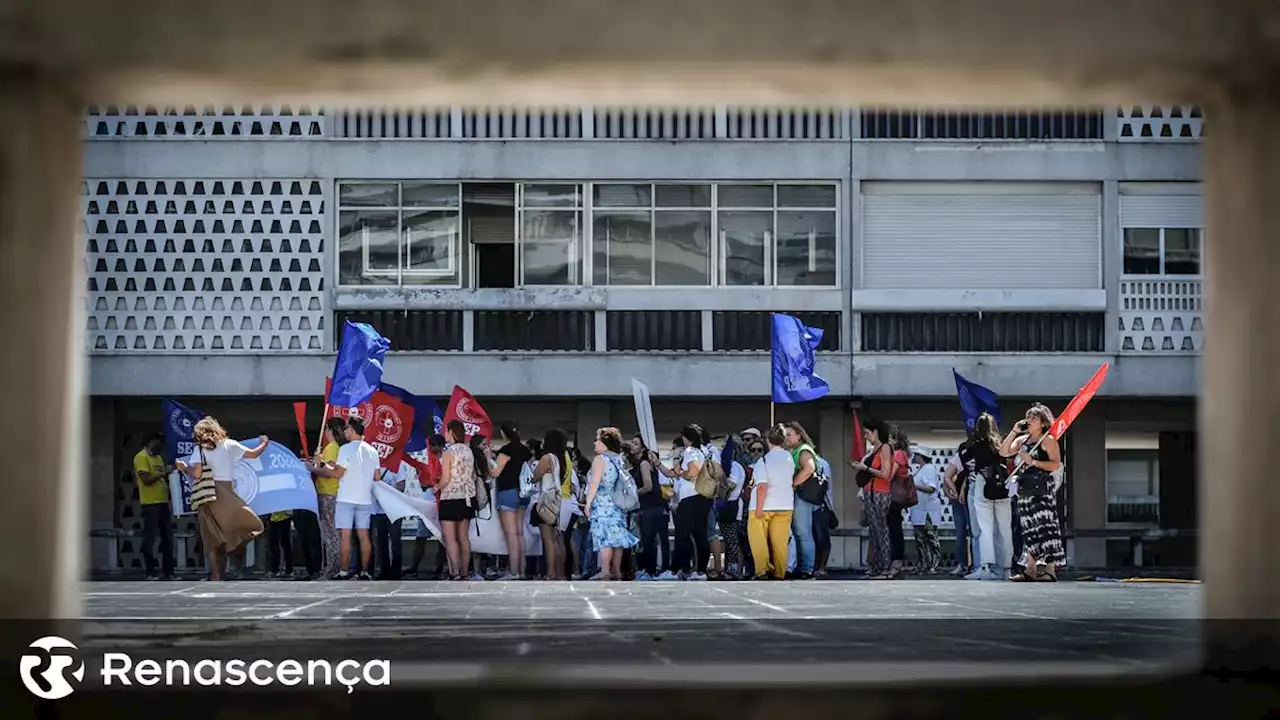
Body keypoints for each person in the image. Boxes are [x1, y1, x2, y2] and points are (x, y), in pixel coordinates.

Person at [174, 417, 267, 581]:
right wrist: (264, 443)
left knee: (211, 537)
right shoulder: (229, 444)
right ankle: (235, 563)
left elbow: (196, 473)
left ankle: (217, 573)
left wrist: (184, 467)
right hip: (226, 493)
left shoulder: (200, 449)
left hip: (207, 494)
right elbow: (253, 454)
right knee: (238, 528)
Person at [1001, 403, 1065, 582]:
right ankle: (1030, 568)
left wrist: (1034, 462)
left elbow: (1055, 464)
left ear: (1043, 422)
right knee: (1028, 527)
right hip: (1025, 488)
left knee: (1046, 527)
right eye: (1028, 417)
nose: (1029, 420)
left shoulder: (1048, 440)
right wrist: (1014, 431)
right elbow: (1004, 451)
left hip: (1042, 489)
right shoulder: (1022, 441)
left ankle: (1050, 569)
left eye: (1034, 418)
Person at [960, 413, 1015, 581]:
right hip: (1002, 488)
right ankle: (1006, 568)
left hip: (982, 485)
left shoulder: (975, 446)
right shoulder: (1001, 445)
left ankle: (985, 567)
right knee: (1004, 528)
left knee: (985, 528)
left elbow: (964, 458)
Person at [324, 417, 380, 580]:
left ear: (353, 430)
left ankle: (343, 571)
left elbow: (337, 473)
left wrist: (322, 465)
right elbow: (377, 477)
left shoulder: (346, 449)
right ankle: (364, 571)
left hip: (346, 498)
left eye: (347, 428)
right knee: (364, 535)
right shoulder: (372, 450)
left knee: (346, 535)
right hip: (365, 498)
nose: (345, 431)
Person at [583, 427, 639, 580]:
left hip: (603, 503)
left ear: (604, 442)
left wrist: (588, 503)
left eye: (597, 440)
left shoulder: (600, 459)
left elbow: (594, 482)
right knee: (617, 536)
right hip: (618, 504)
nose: (595, 443)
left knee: (605, 537)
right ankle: (616, 570)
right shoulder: (618, 459)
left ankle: (605, 570)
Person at [656, 426, 711, 580]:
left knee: (682, 535)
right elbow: (672, 473)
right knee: (700, 534)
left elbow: (693, 472)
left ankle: (675, 570)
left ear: (687, 438)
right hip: (702, 498)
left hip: (690, 498)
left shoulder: (690, 451)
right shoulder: (703, 452)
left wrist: (681, 472)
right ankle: (699, 571)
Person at [747, 425, 796, 580]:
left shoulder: (764, 461)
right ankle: (780, 572)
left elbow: (762, 486)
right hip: (785, 504)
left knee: (758, 539)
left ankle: (762, 570)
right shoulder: (789, 458)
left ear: (768, 440)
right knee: (780, 542)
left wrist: (759, 508)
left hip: (763, 505)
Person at [850, 419, 895, 579]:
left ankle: (886, 567)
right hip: (870, 492)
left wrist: (866, 469)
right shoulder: (873, 450)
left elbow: (886, 473)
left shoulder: (885, 448)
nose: (866, 437)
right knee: (874, 532)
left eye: (867, 433)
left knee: (882, 530)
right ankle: (876, 567)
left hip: (880, 493)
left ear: (876, 432)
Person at [489, 421, 531, 580]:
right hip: (524, 493)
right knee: (520, 533)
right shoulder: (525, 450)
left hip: (508, 492)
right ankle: (522, 570)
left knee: (512, 534)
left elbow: (495, 473)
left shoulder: (506, 450)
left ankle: (513, 572)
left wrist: (487, 459)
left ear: (503, 433)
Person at [438, 420, 478, 581]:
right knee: (463, 537)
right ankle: (464, 572)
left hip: (450, 498)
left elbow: (446, 478)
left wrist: (437, 486)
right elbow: (473, 475)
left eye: (446, 431)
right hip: (467, 498)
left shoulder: (448, 452)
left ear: (451, 432)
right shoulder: (469, 451)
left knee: (450, 538)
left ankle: (454, 572)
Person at [306, 418, 346, 578]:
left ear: (329, 429)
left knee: (331, 534)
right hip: (334, 493)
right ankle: (335, 567)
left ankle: (332, 569)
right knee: (334, 533)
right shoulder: (338, 447)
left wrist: (312, 468)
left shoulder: (331, 448)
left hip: (328, 494)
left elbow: (330, 472)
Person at [783, 421, 822, 580]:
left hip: (802, 495)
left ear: (799, 435)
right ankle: (801, 565)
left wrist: (793, 484)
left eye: (789, 435)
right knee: (797, 532)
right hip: (797, 495)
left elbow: (809, 468)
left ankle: (807, 568)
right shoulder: (792, 451)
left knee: (802, 532)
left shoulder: (803, 450)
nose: (786, 438)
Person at [133, 433, 175, 580]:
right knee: (151, 538)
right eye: (159, 442)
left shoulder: (158, 458)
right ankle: (150, 571)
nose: (161, 446)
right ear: (151, 441)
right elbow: (146, 479)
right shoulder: (141, 457)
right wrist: (164, 473)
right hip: (150, 503)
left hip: (162, 501)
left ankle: (169, 572)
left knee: (167, 538)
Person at [531, 428, 571, 580]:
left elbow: (535, 477)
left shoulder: (547, 458)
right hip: (559, 501)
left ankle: (550, 573)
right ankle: (560, 573)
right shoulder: (562, 458)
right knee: (557, 539)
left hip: (546, 501)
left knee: (547, 540)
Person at [406, 433, 445, 578]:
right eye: (431, 445)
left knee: (443, 538)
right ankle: (414, 567)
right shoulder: (426, 460)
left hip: (440, 503)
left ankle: (439, 568)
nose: (432, 448)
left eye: (435, 446)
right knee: (420, 537)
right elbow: (422, 483)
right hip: (428, 502)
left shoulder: (446, 460)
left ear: (441, 446)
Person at [630, 435, 667, 580]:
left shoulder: (644, 464)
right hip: (646, 507)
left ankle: (649, 570)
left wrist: (632, 493)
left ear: (643, 448)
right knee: (645, 539)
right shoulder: (638, 464)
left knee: (648, 539)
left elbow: (648, 486)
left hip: (650, 507)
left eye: (635, 443)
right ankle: (646, 569)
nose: (632, 445)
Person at [370, 460, 409, 580]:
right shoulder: (373, 464)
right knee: (381, 542)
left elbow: (401, 485)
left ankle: (396, 571)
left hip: (394, 509)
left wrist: (387, 491)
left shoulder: (399, 464)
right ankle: (384, 570)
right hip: (378, 510)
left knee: (396, 540)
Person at [907, 445, 942, 574]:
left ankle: (933, 564)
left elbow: (930, 488)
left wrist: (912, 485)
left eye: (916, 455)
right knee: (920, 539)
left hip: (928, 510)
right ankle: (923, 564)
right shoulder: (921, 470)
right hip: (918, 509)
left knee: (930, 537)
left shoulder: (929, 469)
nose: (913, 457)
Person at [884, 426, 912, 580]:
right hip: (896, 495)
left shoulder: (899, 454)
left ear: (895, 439)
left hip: (894, 496)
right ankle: (895, 563)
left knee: (894, 529)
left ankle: (896, 563)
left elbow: (889, 474)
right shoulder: (901, 454)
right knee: (894, 528)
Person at [942, 440, 973, 576]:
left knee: (961, 533)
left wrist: (952, 492)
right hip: (969, 499)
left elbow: (946, 478)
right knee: (973, 533)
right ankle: (972, 564)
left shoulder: (957, 461)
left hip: (959, 500)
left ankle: (962, 564)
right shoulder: (970, 462)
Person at [266, 510, 294, 578]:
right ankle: (289, 570)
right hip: (286, 516)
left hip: (277, 517)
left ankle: (275, 570)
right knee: (286, 544)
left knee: (274, 545)